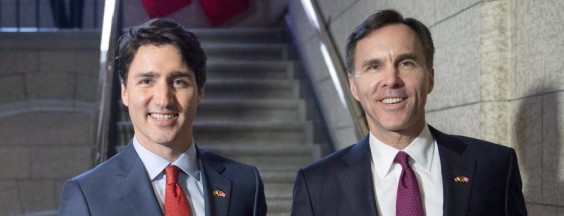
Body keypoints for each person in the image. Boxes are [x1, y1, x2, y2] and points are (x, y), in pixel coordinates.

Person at [291, 9, 526, 216]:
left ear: (430, 78)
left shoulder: (493, 167)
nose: (391, 80)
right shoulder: (316, 185)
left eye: (406, 63)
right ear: (353, 86)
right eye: (374, 66)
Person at [59, 18, 267, 216]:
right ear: (124, 92)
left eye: (178, 82)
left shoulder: (245, 184)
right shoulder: (87, 195)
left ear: (200, 91)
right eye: (147, 81)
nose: (164, 100)